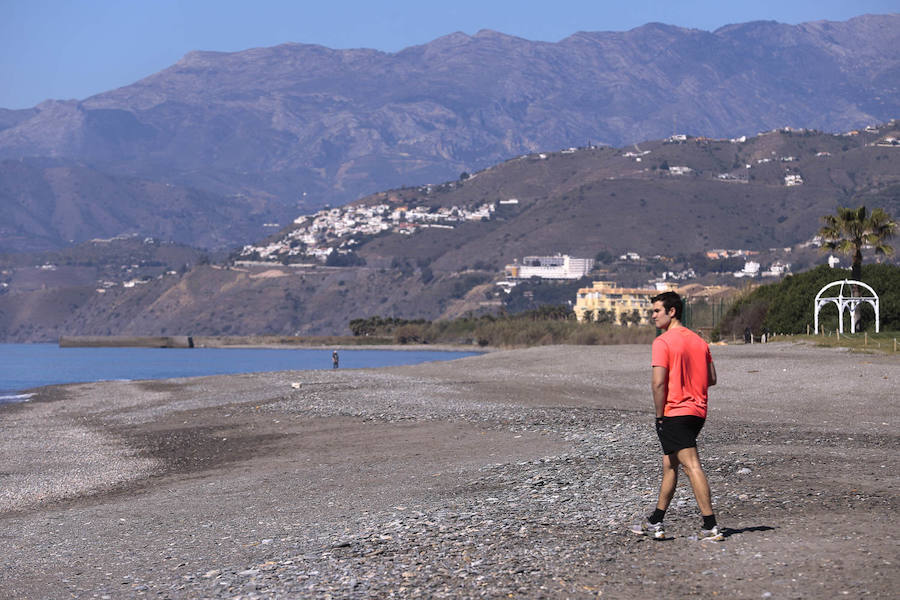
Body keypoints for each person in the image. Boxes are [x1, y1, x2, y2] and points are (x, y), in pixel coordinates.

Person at [632, 291, 723, 541]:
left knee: (691, 465)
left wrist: (660, 417)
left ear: (672, 312)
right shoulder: (699, 341)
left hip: (674, 412)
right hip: (697, 413)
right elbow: (712, 379)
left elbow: (658, 384)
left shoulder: (662, 342)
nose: (653, 316)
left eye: (656, 311)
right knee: (670, 464)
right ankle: (656, 520)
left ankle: (711, 525)